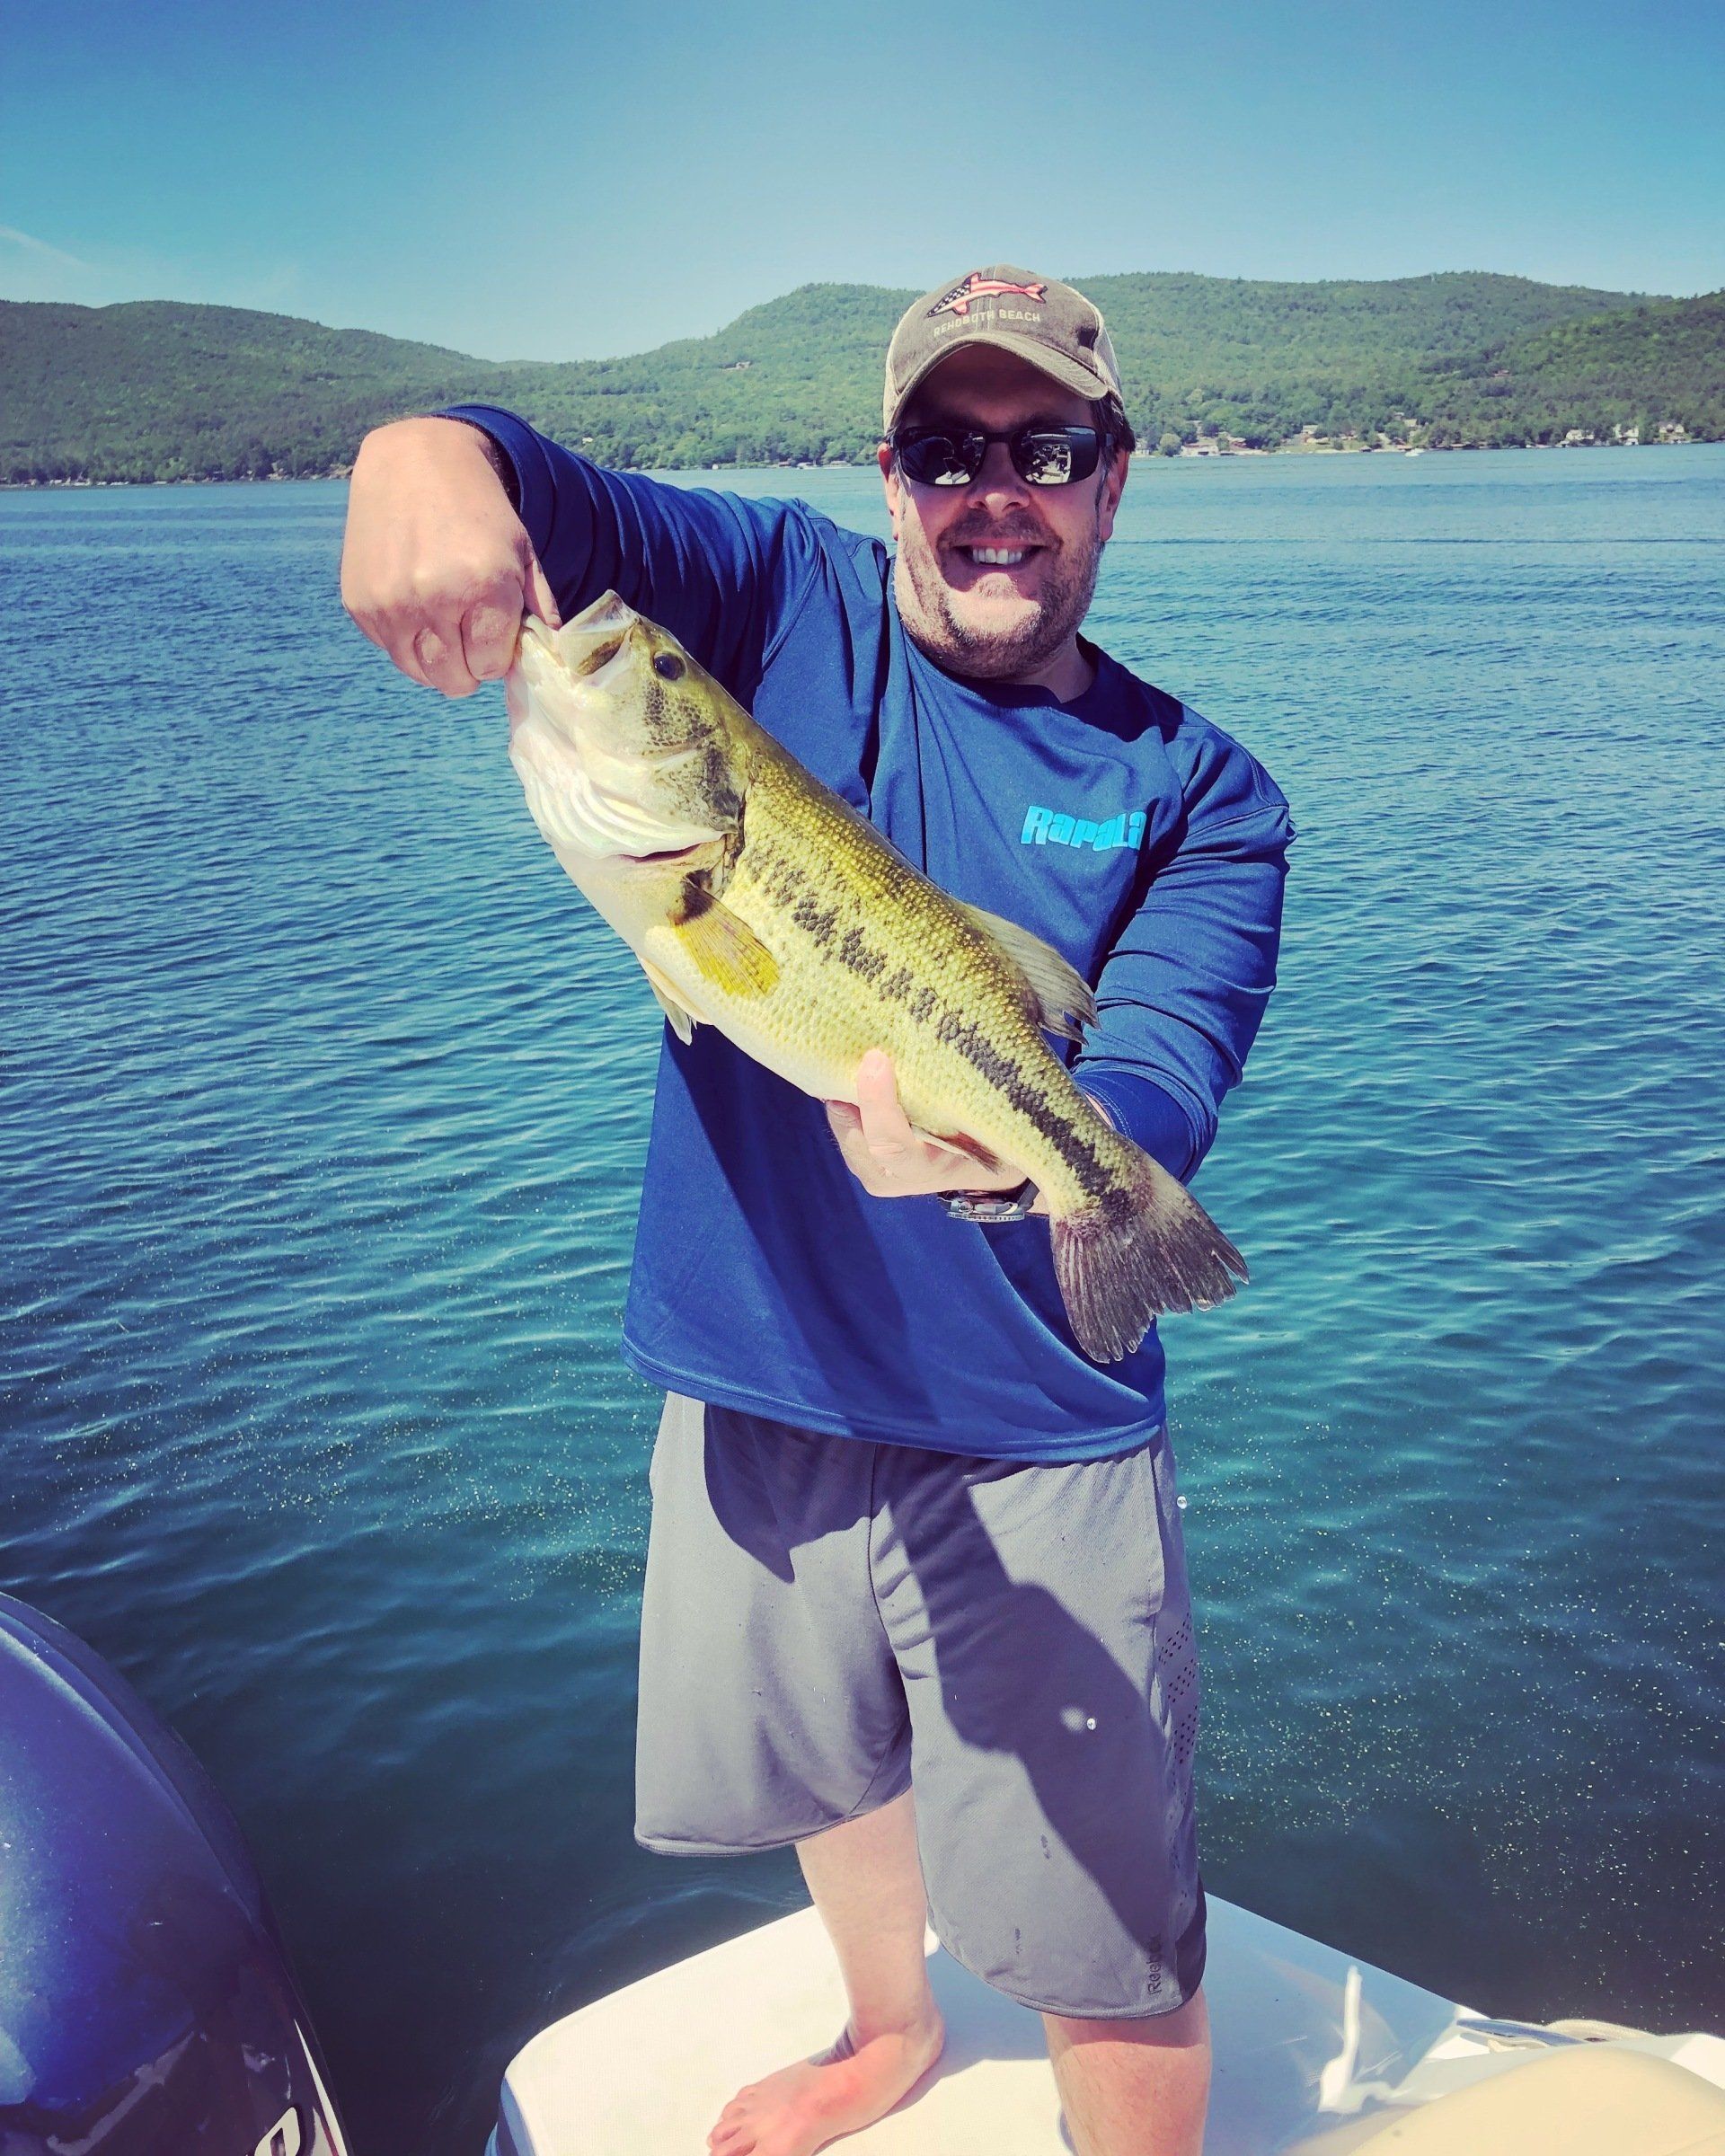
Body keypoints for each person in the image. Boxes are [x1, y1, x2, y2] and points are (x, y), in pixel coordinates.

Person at [341, 263, 1293, 2156]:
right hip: (754, 1377)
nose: (993, 490)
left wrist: (1051, 1155)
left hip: (1039, 1431)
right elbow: (534, 497)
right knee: (821, 1771)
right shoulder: (775, 600)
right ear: (888, 477)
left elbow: (1162, 1064)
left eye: (1046, 448)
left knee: (1106, 1924)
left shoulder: (1204, 791)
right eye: (949, 450)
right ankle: (889, 2032)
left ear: (1115, 480)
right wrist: (415, 454)